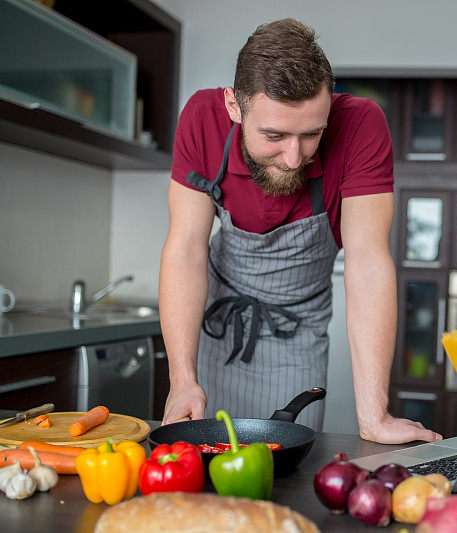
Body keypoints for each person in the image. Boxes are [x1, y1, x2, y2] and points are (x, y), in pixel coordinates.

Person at [159, 18, 441, 445]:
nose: (294, 158)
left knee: (287, 465)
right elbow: (186, 250)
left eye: (311, 134)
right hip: (216, 326)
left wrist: (374, 415)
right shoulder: (203, 118)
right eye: (274, 135)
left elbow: (367, 261)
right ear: (234, 106)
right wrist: (182, 378)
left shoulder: (361, 125)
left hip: (300, 330)